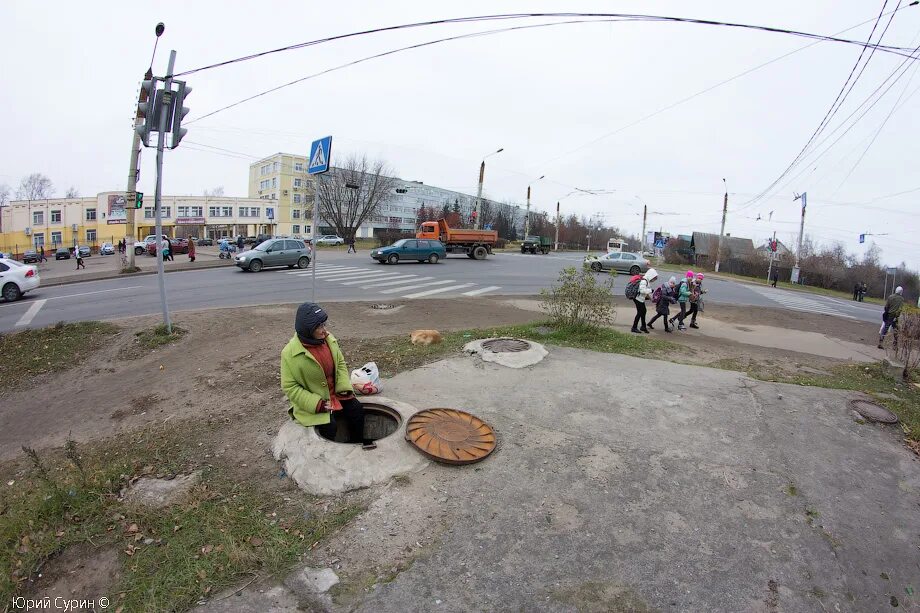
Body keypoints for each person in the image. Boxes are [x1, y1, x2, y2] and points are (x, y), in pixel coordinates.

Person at [280, 302, 372, 447]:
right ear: (307, 329)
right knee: (329, 426)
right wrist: (317, 404)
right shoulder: (289, 353)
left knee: (357, 410)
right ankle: (332, 457)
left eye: (324, 324)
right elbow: (290, 387)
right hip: (316, 401)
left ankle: (356, 444)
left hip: (336, 393)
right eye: (319, 327)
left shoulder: (329, 340)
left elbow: (340, 362)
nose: (325, 330)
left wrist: (343, 387)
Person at [630, 268, 658, 334]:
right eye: (654, 278)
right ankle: (634, 328)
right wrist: (651, 290)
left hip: (640, 299)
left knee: (643, 312)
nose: (653, 280)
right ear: (651, 275)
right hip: (638, 299)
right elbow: (642, 291)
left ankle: (643, 326)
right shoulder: (644, 281)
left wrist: (652, 299)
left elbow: (646, 293)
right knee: (640, 313)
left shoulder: (647, 281)